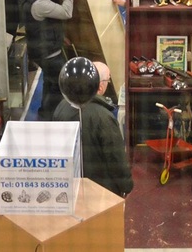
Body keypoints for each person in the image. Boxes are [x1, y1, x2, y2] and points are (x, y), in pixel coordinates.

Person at [52, 61, 133, 197]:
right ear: (100, 86)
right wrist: (126, 185)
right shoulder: (103, 117)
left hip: (69, 187)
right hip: (101, 191)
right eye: (108, 80)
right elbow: (115, 158)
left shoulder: (61, 107)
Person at [20, 0, 73, 119]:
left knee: (50, 82)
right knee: (60, 84)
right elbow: (66, 12)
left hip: (38, 49)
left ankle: (44, 112)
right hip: (48, 53)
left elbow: (44, 25)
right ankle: (53, 117)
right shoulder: (40, 4)